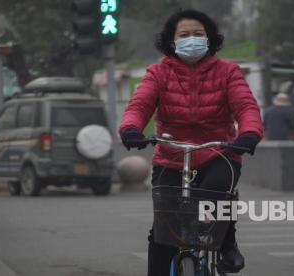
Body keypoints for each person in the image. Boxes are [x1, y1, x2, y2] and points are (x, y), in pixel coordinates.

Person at [118, 10, 263, 275]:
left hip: (219, 152)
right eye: (184, 35)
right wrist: (130, 128)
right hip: (171, 155)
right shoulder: (158, 73)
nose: (192, 39)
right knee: (163, 229)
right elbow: (139, 105)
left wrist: (249, 133)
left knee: (218, 191)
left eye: (198, 34)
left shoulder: (228, 71)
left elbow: (246, 107)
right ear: (171, 42)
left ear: (210, 39)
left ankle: (226, 241)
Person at [263, 93, 294, 176]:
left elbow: (264, 125)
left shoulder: (268, 111)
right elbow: (293, 126)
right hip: (286, 138)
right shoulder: (289, 111)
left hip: (271, 138)